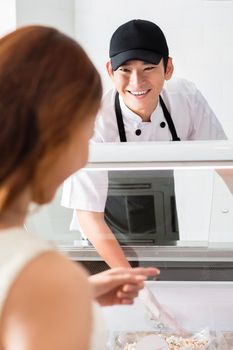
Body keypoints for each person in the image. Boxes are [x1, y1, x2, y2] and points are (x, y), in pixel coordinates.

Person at [0, 25, 159, 350]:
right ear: (59, 133)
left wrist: (77, 291)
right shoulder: (46, 275)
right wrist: (64, 294)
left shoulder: (42, 279)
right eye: (86, 133)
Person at [61, 19, 227, 269]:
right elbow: (89, 216)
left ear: (168, 68)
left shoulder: (187, 100)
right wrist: (129, 276)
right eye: (125, 70)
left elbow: (226, 166)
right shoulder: (92, 121)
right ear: (110, 71)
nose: (137, 82)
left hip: (162, 235)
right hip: (100, 244)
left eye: (149, 68)